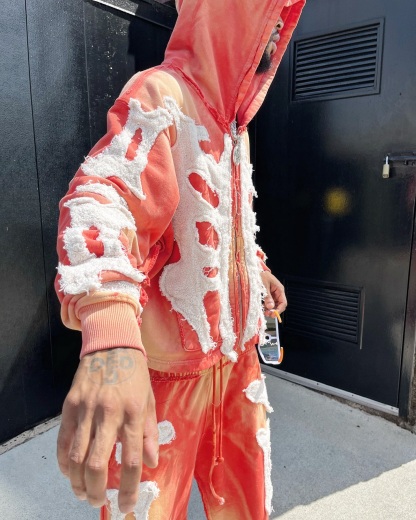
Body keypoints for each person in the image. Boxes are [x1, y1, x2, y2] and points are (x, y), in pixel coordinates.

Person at [55, 0, 305, 518]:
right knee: (146, 508)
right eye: (268, 13)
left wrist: (257, 268)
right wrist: (110, 332)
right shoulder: (160, 93)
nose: (277, 29)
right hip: (169, 374)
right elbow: (102, 197)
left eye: (283, 18)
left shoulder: (237, 128)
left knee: (248, 507)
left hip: (239, 365)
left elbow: (228, 216)